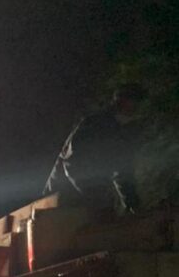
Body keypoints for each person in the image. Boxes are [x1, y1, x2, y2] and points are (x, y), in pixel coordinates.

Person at [44, 82, 146, 214]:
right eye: (134, 101)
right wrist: (97, 193)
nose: (137, 107)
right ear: (121, 100)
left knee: (106, 212)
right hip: (63, 191)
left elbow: (123, 170)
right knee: (102, 210)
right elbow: (73, 161)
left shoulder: (126, 131)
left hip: (89, 188)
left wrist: (132, 203)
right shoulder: (95, 124)